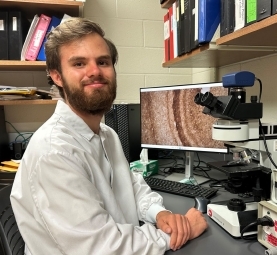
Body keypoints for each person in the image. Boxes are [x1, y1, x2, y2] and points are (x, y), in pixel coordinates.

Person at [10, 17, 208, 255]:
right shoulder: (54, 152)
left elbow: (131, 186)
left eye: (102, 62)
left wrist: (158, 213)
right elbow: (100, 247)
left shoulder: (107, 134)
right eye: (79, 63)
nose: (95, 71)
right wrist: (178, 232)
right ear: (57, 76)